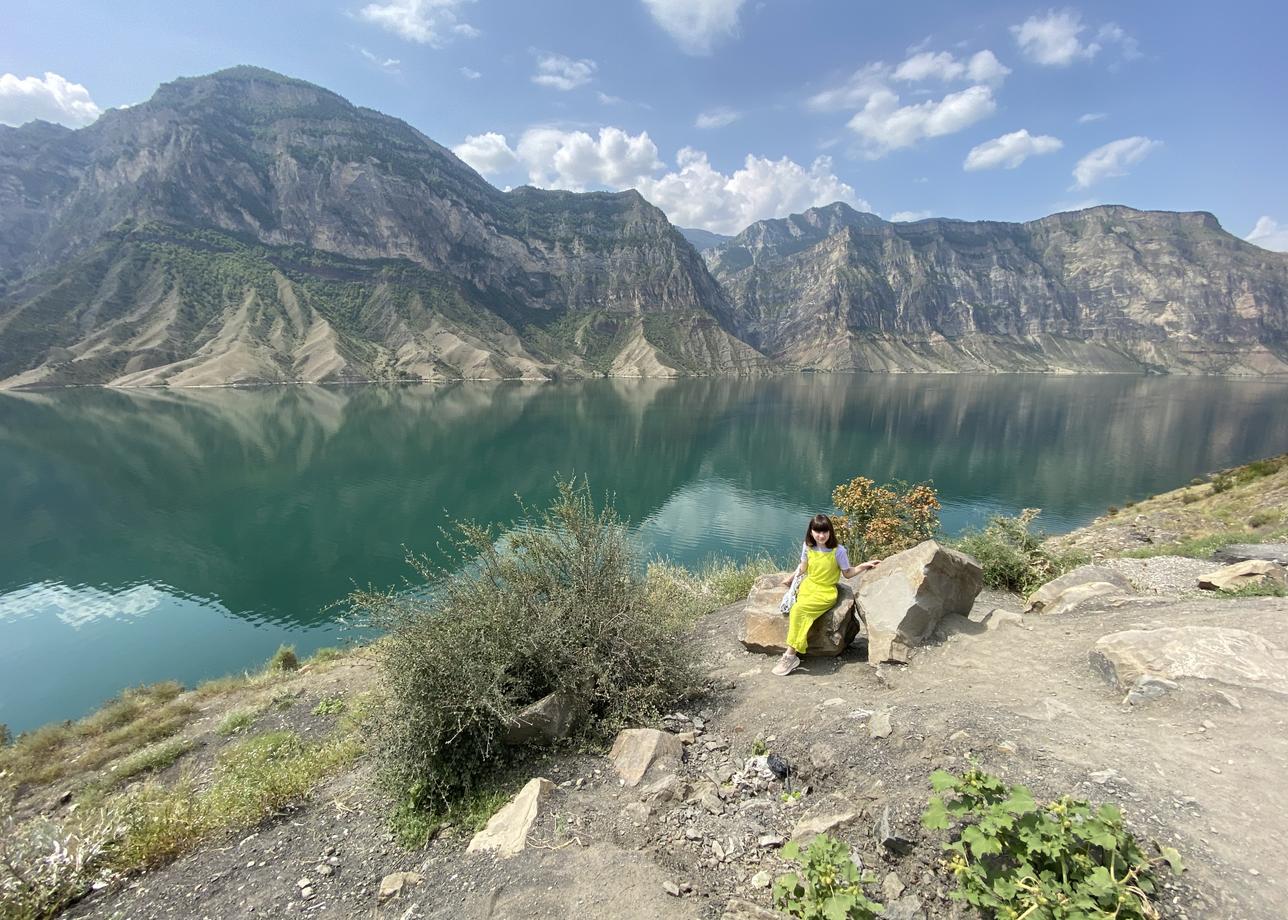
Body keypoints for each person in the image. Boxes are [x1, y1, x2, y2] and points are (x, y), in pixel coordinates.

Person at [773, 513, 880, 677]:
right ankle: (793, 653)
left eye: (825, 532)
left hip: (826, 592)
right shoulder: (808, 547)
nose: (821, 535)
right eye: (817, 532)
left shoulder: (838, 551)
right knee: (798, 610)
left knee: (798, 610)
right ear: (811, 532)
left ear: (830, 532)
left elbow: (848, 573)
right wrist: (790, 579)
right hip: (808, 587)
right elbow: (803, 567)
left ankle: (790, 656)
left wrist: (864, 565)